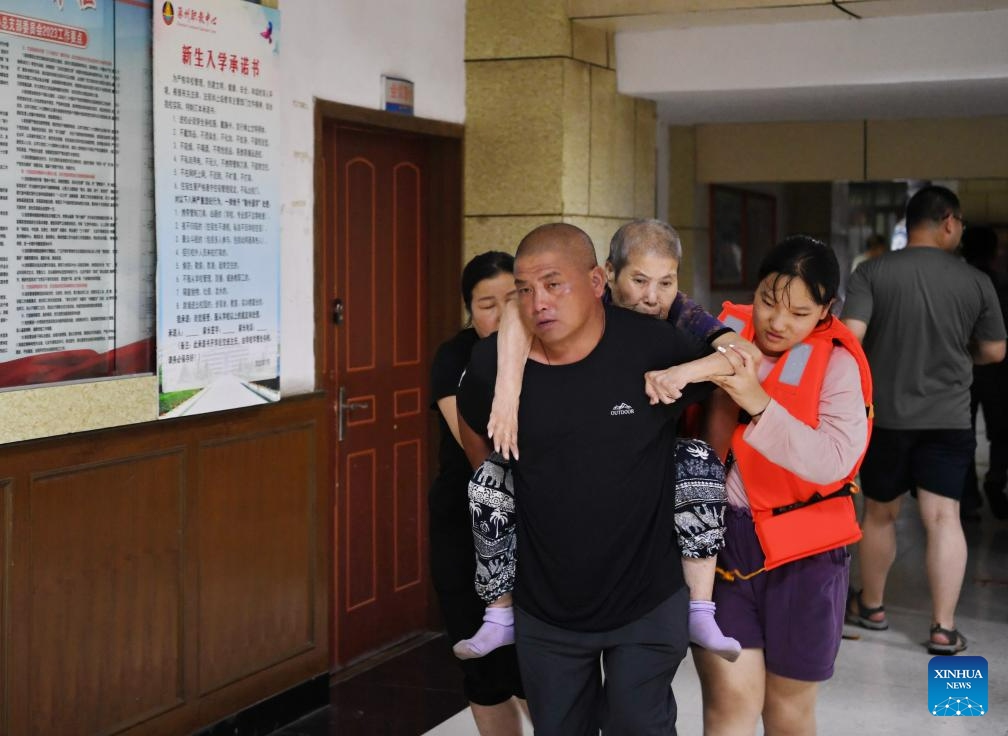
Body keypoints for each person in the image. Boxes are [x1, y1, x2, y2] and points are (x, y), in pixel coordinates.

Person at [452, 219, 756, 663]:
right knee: (489, 479)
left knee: (697, 457)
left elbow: (740, 358)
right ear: (607, 277)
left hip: (650, 467)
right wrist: (507, 390)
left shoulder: (676, 317)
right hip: (561, 497)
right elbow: (520, 313)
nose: (651, 296)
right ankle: (499, 615)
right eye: (639, 280)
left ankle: (699, 609)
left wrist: (682, 373)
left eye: (665, 282)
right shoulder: (576, 305)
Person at [687, 235, 872, 736]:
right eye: (768, 300)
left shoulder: (837, 364)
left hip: (806, 556)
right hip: (723, 548)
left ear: (826, 311)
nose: (777, 321)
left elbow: (836, 459)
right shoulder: (720, 336)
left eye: (798, 311)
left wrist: (761, 405)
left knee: (788, 712)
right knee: (729, 706)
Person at [841, 185, 1006, 655]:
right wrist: (958, 353)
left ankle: (871, 607)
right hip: (948, 418)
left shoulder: (871, 271)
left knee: (879, 513)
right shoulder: (975, 280)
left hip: (886, 417)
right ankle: (942, 628)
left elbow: (850, 338)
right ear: (949, 221)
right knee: (943, 517)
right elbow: (995, 350)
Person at [428, 251, 526, 735]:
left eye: (513, 298)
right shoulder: (455, 357)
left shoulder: (551, 348)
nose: (504, 313)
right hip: (466, 529)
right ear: (470, 310)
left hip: (538, 529)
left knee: (538, 673)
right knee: (484, 675)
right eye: (488, 304)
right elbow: (481, 454)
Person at [960, 224, 1008, 520]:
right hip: (999, 370)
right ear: (994, 252)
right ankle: (995, 480)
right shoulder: (1002, 283)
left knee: (962, 434)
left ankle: (968, 497)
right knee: (1002, 433)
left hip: (959, 370)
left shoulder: (954, 284)